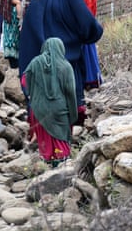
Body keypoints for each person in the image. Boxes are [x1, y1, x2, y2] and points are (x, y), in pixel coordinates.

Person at [19, 0, 103, 126]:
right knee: (70, 95)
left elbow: (28, 36)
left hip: (47, 61)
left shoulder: (37, 2)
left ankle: (47, 131)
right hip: (71, 61)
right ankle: (69, 131)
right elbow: (90, 26)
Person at [24, 37, 78, 166]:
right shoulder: (66, 66)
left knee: (45, 142)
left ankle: (47, 163)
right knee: (61, 140)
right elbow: (70, 93)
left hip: (38, 109)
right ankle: (61, 164)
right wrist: (73, 114)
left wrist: (33, 92)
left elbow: (24, 80)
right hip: (59, 110)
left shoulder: (35, 62)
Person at [69, 0, 102, 89]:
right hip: (90, 22)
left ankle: (81, 80)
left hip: (76, 24)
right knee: (90, 49)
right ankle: (93, 78)